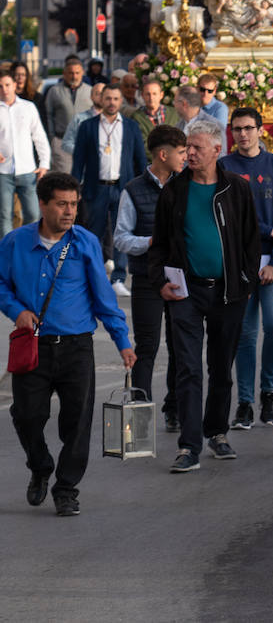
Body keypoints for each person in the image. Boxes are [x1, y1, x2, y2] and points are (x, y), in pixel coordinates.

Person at [1, 172, 135, 516]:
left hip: (77, 347)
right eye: (62, 204)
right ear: (42, 204)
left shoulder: (86, 242)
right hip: (33, 346)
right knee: (27, 415)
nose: (69, 211)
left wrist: (123, 341)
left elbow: (105, 299)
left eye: (74, 204)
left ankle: (66, 488)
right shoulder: (15, 242)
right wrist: (17, 311)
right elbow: (1, 285)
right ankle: (40, 465)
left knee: (77, 422)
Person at [148, 119, 260, 473]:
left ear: (216, 150)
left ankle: (217, 432)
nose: (189, 153)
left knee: (220, 368)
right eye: (187, 148)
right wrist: (159, 282)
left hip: (228, 293)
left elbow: (250, 241)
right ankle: (189, 445)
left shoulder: (236, 190)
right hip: (186, 293)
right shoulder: (173, 191)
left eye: (196, 148)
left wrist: (246, 278)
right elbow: (159, 245)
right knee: (188, 368)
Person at [222, 108, 273, 431]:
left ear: (260, 130)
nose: (243, 134)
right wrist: (267, 231)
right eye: (237, 129)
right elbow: (231, 218)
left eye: (249, 128)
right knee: (245, 334)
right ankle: (245, 402)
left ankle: (270, 393)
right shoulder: (224, 167)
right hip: (240, 264)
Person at [114, 124, 186, 432]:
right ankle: (140, 418)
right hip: (145, 278)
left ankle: (175, 408)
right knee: (147, 347)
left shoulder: (187, 185)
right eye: (181, 152)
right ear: (163, 154)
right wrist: (151, 242)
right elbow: (120, 238)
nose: (186, 157)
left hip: (181, 276)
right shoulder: (132, 190)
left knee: (180, 345)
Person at [72, 85, 147, 298]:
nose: (112, 102)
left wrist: (143, 188)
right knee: (92, 234)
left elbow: (140, 159)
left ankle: (119, 278)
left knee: (121, 233)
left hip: (123, 187)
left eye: (115, 98)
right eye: (108, 98)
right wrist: (74, 188)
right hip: (96, 187)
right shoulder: (88, 126)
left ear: (120, 101)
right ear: (101, 100)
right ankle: (93, 277)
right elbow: (78, 160)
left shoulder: (131, 127)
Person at [0, 68, 51, 228]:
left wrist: (44, 164)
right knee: (4, 216)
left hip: (27, 170)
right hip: (3, 172)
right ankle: (6, 252)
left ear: (15, 85)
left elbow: (39, 136)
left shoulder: (28, 107)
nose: (4, 89)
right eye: (0, 86)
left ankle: (30, 249)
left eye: (7, 85)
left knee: (33, 214)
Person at [44, 56, 91, 173]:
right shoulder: (54, 91)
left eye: (77, 73)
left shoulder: (90, 91)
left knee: (84, 178)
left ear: (82, 73)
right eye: (70, 73)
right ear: (64, 73)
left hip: (85, 143)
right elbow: (48, 115)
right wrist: (52, 138)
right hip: (61, 141)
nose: (74, 76)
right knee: (64, 180)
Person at [131, 77, 169, 147]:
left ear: (161, 95)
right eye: (148, 94)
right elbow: (141, 143)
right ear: (142, 95)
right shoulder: (136, 117)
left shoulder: (174, 114)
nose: (151, 98)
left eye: (154, 94)